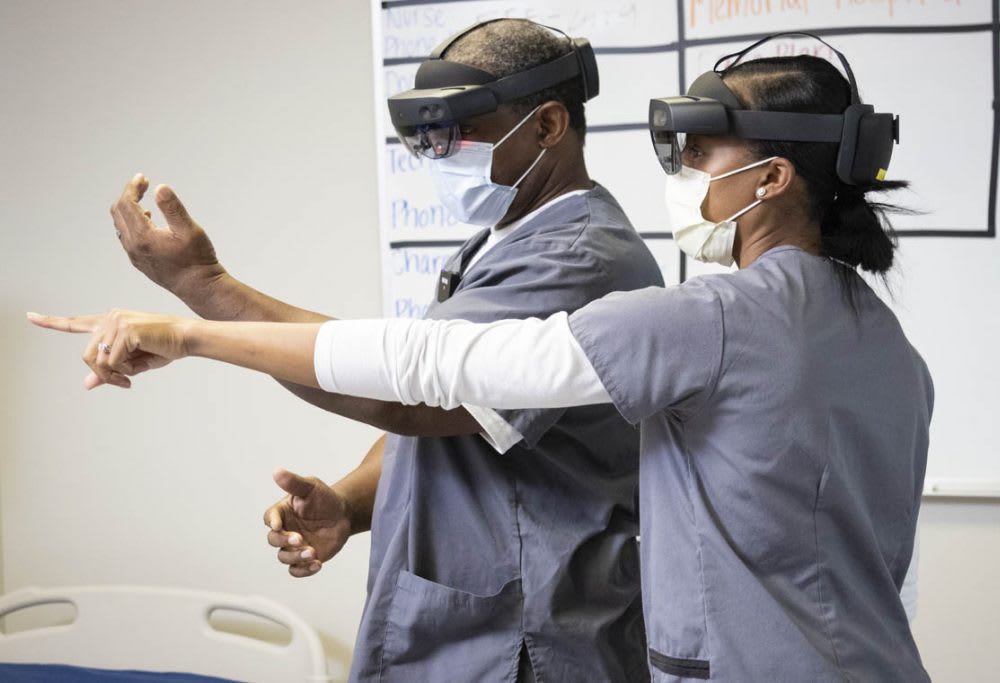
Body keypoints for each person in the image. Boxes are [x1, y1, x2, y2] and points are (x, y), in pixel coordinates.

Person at [32, 38, 933, 682]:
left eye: (701, 151)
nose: (683, 170)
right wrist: (351, 501)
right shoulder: (885, 345)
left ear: (774, 177)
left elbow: (439, 375)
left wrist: (198, 312)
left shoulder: (701, 314)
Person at [84, 18, 661, 683]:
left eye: (457, 129)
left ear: (548, 125)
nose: (439, 153)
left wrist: (202, 297)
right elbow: (451, 416)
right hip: (468, 629)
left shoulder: (577, 258)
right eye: (425, 135)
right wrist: (352, 502)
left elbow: (413, 393)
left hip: (523, 642)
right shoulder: (505, 238)